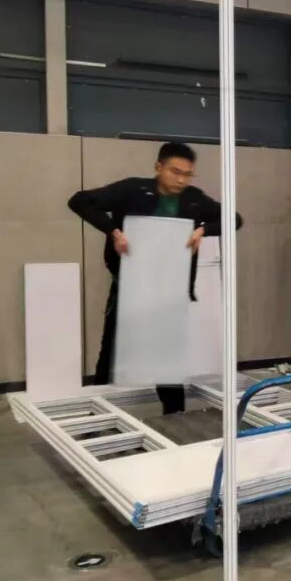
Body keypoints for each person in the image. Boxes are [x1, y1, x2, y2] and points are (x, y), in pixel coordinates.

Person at [68, 142, 242, 414]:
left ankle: (175, 418)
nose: (181, 180)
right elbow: (79, 201)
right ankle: (96, 417)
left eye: (187, 174)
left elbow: (234, 219)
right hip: (130, 286)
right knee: (112, 354)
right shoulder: (132, 190)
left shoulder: (193, 199)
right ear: (158, 167)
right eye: (175, 172)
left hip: (170, 290)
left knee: (168, 361)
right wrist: (114, 231)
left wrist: (203, 230)